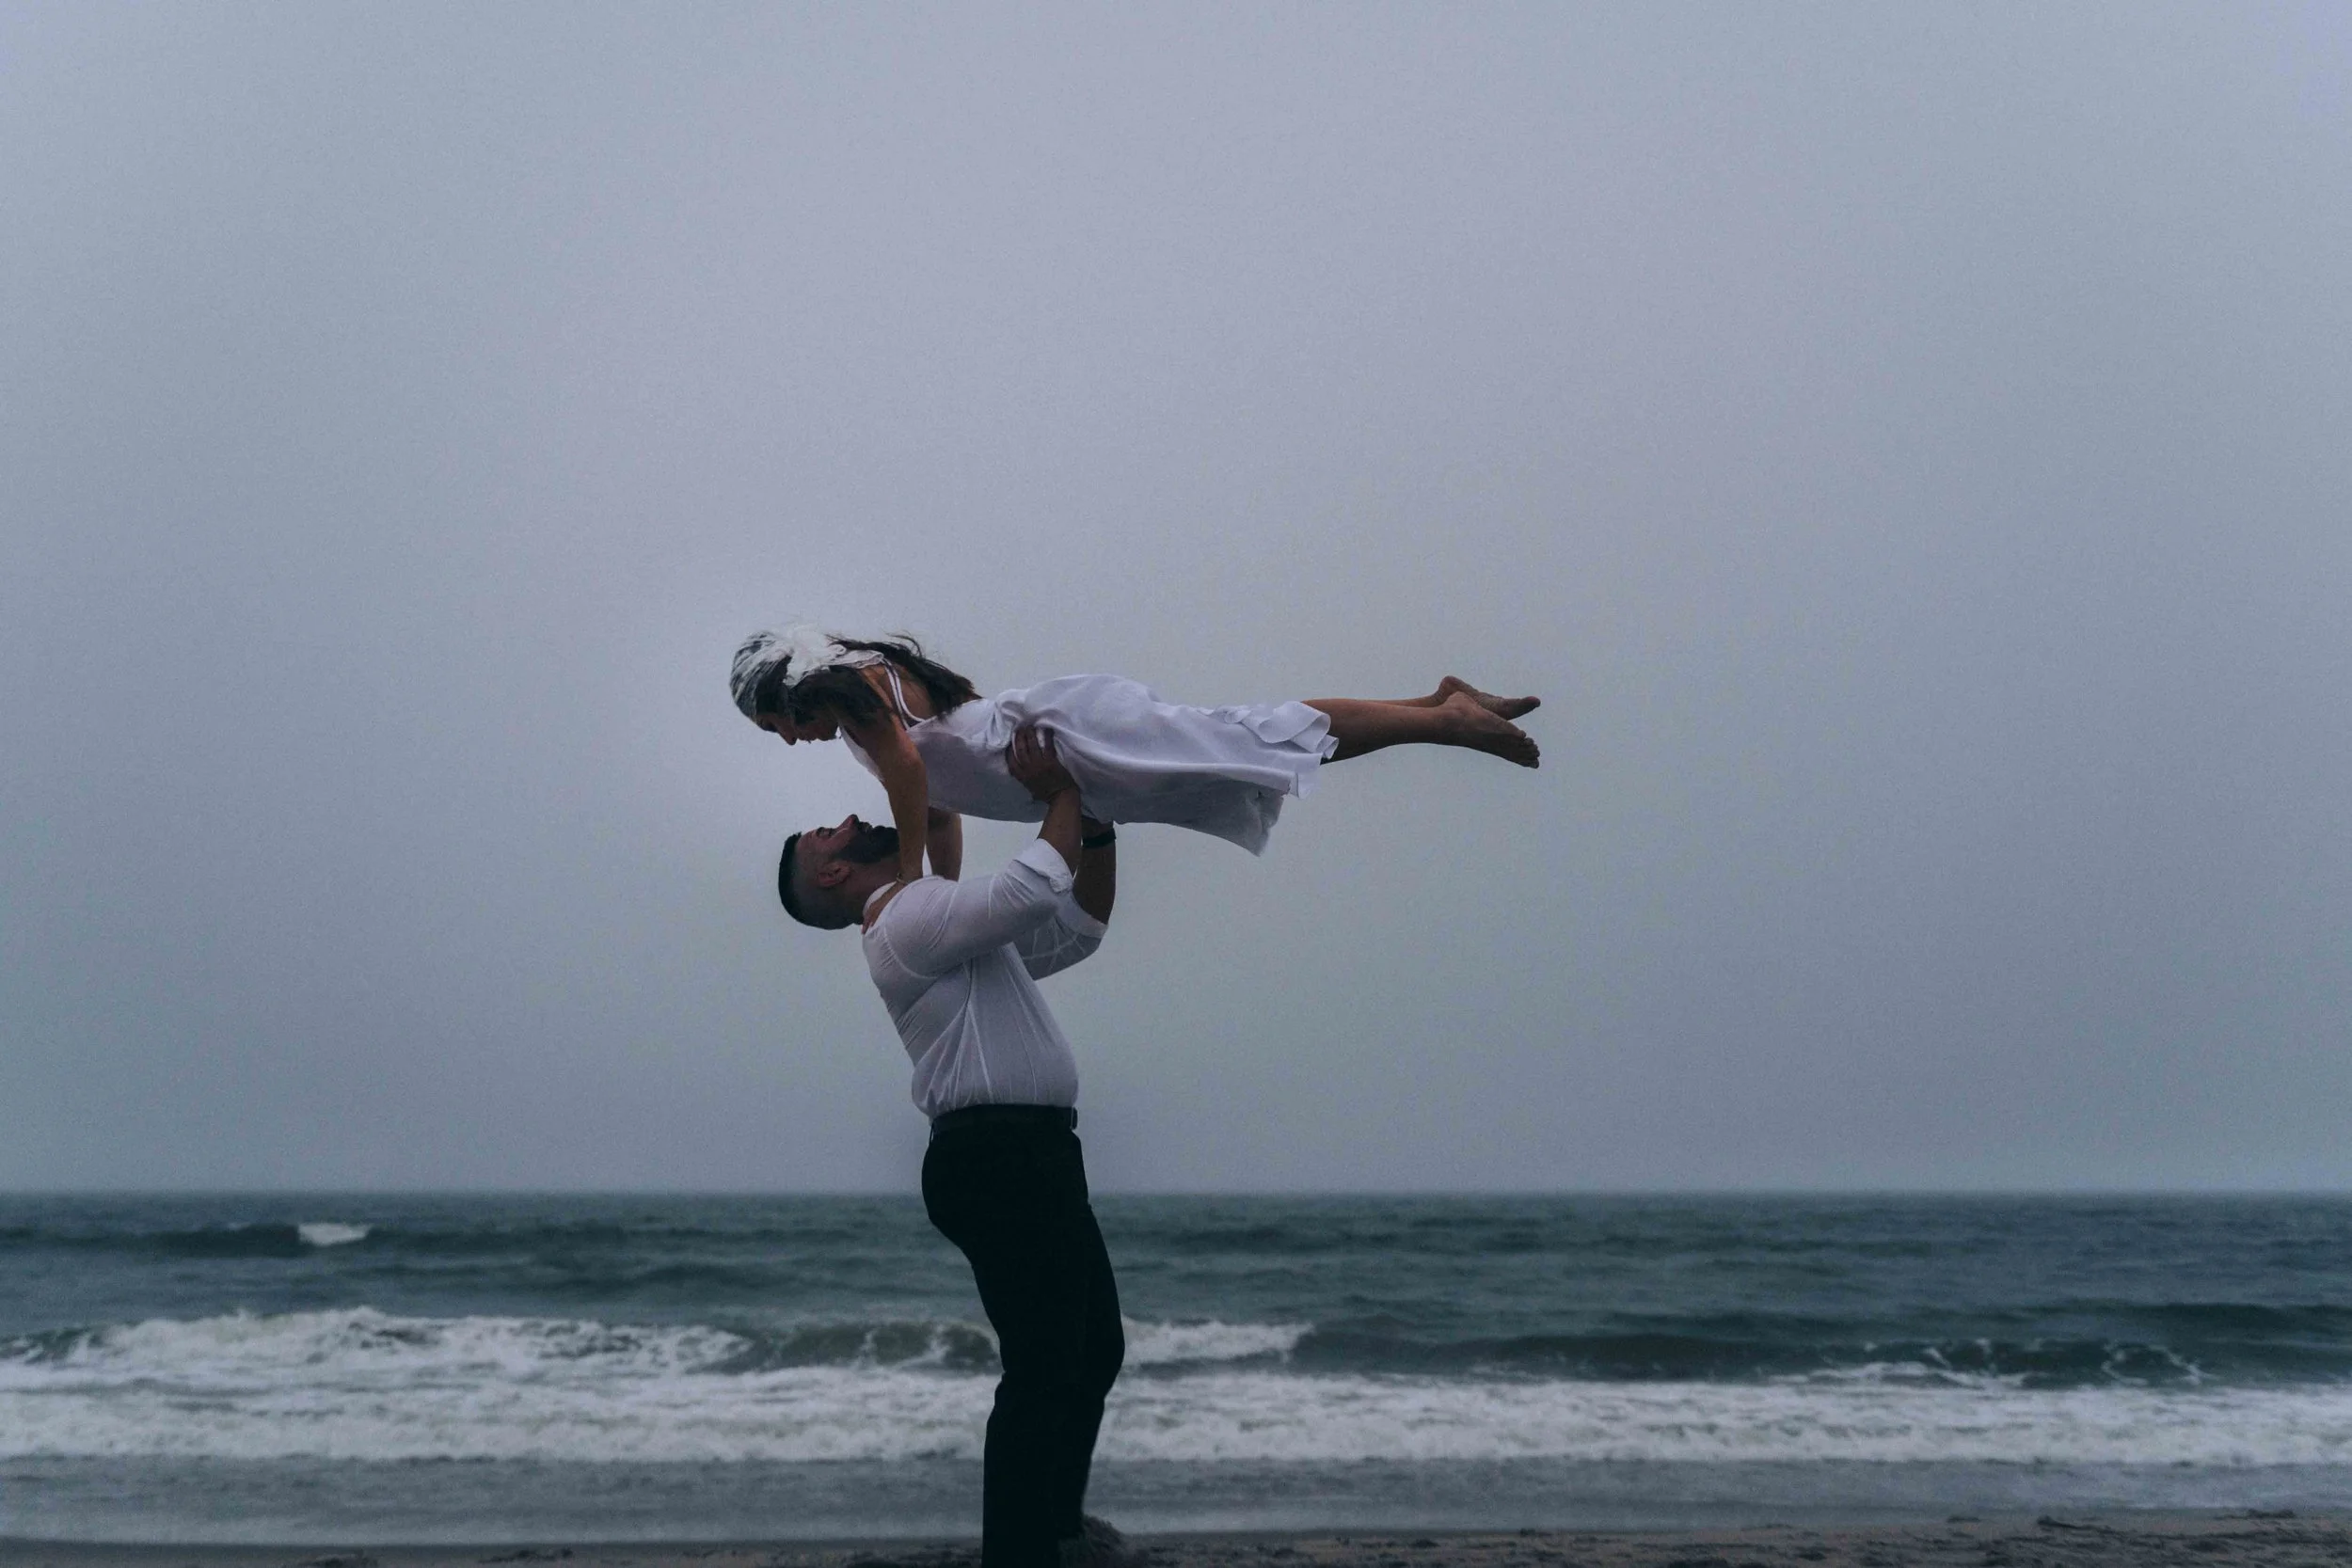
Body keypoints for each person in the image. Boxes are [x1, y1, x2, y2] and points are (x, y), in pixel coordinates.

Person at [778, 725, 1125, 1568]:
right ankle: (1025, 1549)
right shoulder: (905, 921)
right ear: (831, 872)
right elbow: (1032, 888)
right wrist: (1062, 795)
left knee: (1092, 1349)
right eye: (829, 831)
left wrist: (1098, 826)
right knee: (1044, 1364)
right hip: (995, 1156)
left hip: (1031, 1151)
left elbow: (1076, 925)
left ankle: (1056, 1528)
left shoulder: (932, 919)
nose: (847, 819)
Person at [730, 626, 1541, 887]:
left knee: (1246, 739)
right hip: (1065, 752)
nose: (791, 739)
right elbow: (938, 805)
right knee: (1242, 744)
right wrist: (944, 896)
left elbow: (913, 778)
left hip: (1065, 734)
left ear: (786, 686)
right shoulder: (865, 716)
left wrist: (906, 892)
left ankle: (1448, 720)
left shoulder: (854, 695)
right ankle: (1440, 704)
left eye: (777, 725)